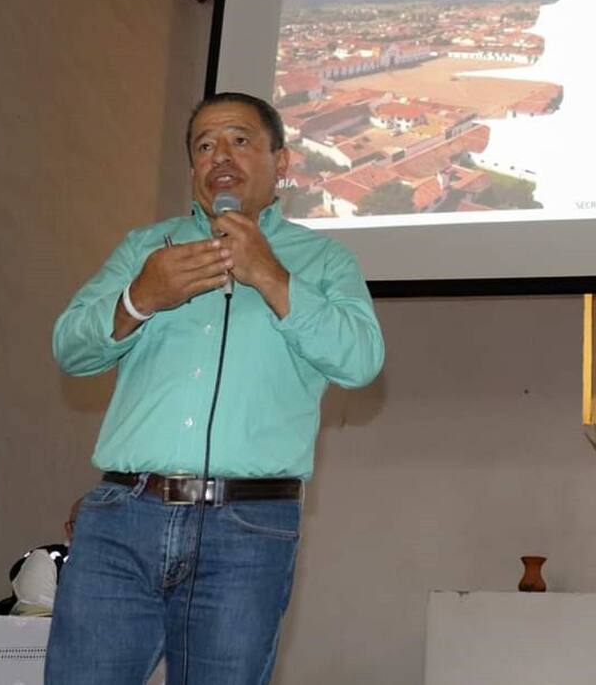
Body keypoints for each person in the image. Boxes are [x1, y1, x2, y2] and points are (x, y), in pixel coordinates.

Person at [45, 93, 384, 685]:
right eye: (204, 145)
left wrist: (270, 275)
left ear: (282, 161)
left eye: (240, 140)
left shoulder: (324, 259)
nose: (220, 155)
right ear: (193, 169)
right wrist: (138, 298)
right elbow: (70, 349)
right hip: (122, 519)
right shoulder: (145, 249)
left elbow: (360, 361)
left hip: (247, 530)